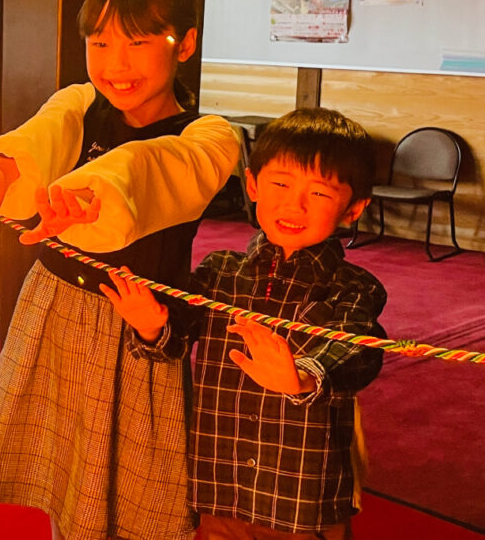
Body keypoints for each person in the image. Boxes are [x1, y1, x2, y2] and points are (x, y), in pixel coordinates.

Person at [0, 0, 241, 540]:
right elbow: (39, 140)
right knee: (53, 481)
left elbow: (152, 168)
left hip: (134, 330)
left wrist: (92, 192)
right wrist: (2, 171)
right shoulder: (79, 101)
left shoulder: (210, 136)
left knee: (118, 498)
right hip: (51, 309)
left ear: (185, 43)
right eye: (100, 43)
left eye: (138, 42)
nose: (115, 65)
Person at [104, 107, 388, 540]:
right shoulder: (221, 271)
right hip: (222, 482)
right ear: (252, 185)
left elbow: (359, 349)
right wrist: (152, 325)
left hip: (301, 495)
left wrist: (304, 377)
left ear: (353, 208)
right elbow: (176, 335)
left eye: (320, 193)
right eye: (280, 184)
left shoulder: (352, 287)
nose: (294, 204)